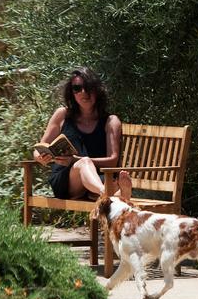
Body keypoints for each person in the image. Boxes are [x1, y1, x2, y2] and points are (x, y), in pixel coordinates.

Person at [33, 67, 132, 202]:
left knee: (87, 164)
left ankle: (108, 194)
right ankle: (107, 193)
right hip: (66, 181)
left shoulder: (111, 121)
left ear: (97, 90)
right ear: (72, 93)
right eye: (77, 88)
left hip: (97, 178)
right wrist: (40, 156)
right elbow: (40, 147)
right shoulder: (62, 115)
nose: (83, 92)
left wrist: (74, 159)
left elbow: (113, 160)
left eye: (88, 87)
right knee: (84, 162)